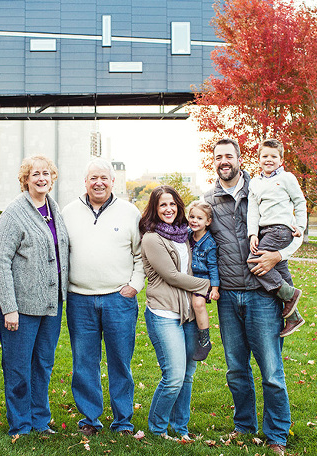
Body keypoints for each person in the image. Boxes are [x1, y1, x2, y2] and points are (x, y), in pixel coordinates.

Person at [204, 138, 301, 456]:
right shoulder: (208, 200)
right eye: (218, 156)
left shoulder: (262, 188)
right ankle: (244, 425)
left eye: (229, 155)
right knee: (235, 369)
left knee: (271, 370)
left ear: (239, 159)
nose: (223, 161)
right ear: (214, 161)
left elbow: (295, 226)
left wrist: (279, 255)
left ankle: (277, 434)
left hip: (262, 295)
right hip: (229, 297)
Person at [62, 158, 144, 437]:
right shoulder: (69, 212)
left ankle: (123, 420)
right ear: (85, 182)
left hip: (118, 299)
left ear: (112, 181)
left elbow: (141, 255)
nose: (98, 183)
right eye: (93, 178)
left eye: (104, 178)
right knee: (84, 361)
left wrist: (135, 285)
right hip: (79, 299)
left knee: (120, 361)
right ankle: (90, 419)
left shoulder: (130, 212)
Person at [0, 155, 70, 436]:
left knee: (43, 364)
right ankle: (21, 424)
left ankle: (39, 419)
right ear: (25, 179)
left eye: (46, 173)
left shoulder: (53, 208)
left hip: (50, 304)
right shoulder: (14, 213)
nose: (41, 178)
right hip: (20, 307)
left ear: (52, 177)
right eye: (35, 174)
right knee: (18, 367)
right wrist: (9, 307)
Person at [140, 185, 211, 441]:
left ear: (179, 206)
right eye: (162, 205)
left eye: (172, 204)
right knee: (173, 377)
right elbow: (171, 275)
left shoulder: (185, 235)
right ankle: (158, 429)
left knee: (188, 376)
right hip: (164, 314)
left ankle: (181, 429)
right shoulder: (151, 238)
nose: (168, 209)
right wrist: (208, 286)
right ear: (155, 209)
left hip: (189, 314)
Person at [247, 139, 307, 337]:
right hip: (265, 231)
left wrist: (300, 226)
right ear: (259, 159)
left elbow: (299, 202)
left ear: (281, 159)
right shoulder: (255, 183)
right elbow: (253, 211)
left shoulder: (288, 178)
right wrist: (253, 234)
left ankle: (291, 294)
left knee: (254, 262)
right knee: (278, 269)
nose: (269, 159)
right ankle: (294, 317)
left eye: (274, 156)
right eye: (265, 156)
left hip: (281, 230)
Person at [186, 200, 220, 361]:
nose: (194, 221)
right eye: (192, 216)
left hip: (202, 279)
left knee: (198, 304)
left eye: (200, 218)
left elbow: (213, 266)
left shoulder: (210, 243)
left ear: (208, 222)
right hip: (187, 278)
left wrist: (215, 288)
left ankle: (205, 341)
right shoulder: (186, 235)